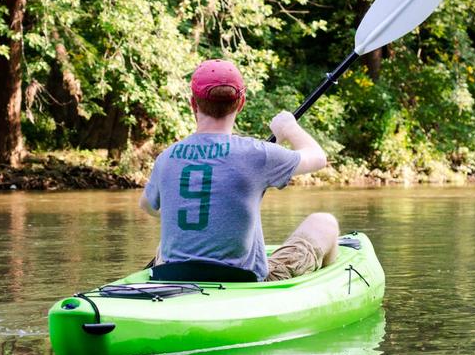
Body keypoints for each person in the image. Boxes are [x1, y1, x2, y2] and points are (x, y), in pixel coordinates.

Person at [139, 59, 339, 281]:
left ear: (193, 104)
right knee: (324, 222)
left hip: (174, 275)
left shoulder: (167, 157)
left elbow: (147, 206)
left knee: (163, 248)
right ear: (241, 103)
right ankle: (326, 285)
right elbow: (318, 157)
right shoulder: (257, 153)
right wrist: (289, 128)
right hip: (243, 281)